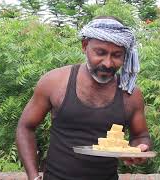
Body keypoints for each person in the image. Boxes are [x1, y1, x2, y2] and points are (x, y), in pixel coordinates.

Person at [16, 16, 152, 180]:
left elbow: (140, 136)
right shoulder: (54, 82)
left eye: (117, 55)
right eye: (100, 53)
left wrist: (139, 150)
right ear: (85, 46)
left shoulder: (130, 95)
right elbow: (25, 127)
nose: (108, 63)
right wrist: (33, 176)